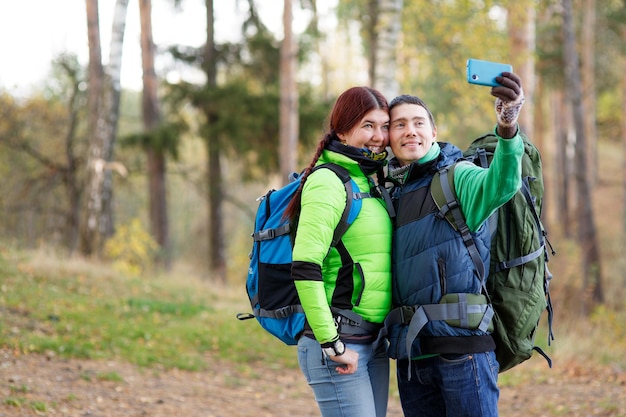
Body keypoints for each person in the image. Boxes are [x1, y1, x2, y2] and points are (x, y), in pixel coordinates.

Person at [384, 72, 526, 417]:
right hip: (413, 356)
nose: (410, 131)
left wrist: (507, 128)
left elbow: (502, 183)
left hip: (463, 350)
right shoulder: (387, 192)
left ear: (433, 132)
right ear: (388, 137)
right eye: (399, 125)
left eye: (418, 123)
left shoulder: (455, 177)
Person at [286, 86, 393, 417]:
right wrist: (331, 342)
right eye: (368, 126)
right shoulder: (328, 182)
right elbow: (305, 266)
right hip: (338, 343)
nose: (378, 136)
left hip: (372, 342)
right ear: (343, 129)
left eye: (384, 126)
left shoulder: (370, 181)